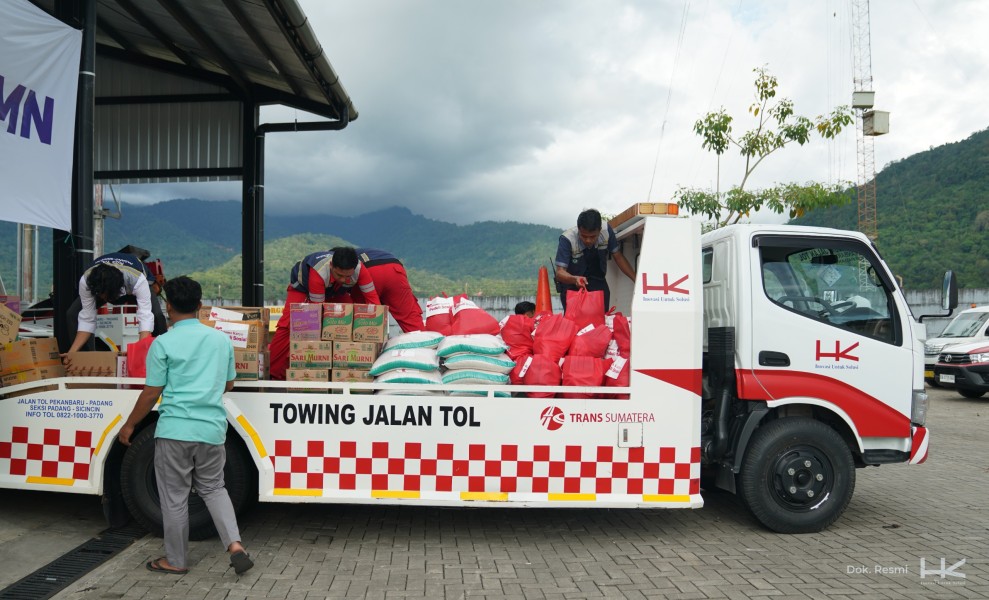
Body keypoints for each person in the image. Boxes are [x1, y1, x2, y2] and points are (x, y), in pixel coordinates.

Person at [118, 276, 253, 576]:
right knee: (215, 489)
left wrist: (129, 426)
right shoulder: (220, 340)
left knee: (175, 498)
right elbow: (228, 383)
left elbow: (152, 391)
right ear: (200, 306)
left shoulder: (163, 343)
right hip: (211, 430)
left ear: (167, 307)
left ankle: (176, 561)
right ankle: (235, 545)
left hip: (175, 431)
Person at [268, 247, 381, 380]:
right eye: (340, 275)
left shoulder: (360, 270)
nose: (344, 280)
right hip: (303, 290)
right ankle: (273, 373)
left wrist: (375, 330)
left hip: (335, 291)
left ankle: (342, 369)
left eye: (348, 276)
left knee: (348, 318)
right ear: (331, 265)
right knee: (293, 324)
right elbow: (316, 315)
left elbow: (374, 302)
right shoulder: (318, 272)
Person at [65, 252, 168, 353]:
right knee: (73, 313)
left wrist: (139, 352)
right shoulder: (86, 281)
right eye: (102, 296)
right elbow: (87, 318)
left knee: (156, 314)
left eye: (108, 297)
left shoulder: (138, 280)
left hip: (132, 284)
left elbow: (145, 316)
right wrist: (72, 352)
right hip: (102, 286)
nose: (107, 300)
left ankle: (161, 353)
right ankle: (85, 358)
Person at [554, 209, 636, 311]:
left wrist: (636, 280)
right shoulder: (567, 239)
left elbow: (618, 257)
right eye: (584, 236)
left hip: (597, 281)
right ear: (578, 229)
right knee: (575, 322)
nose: (588, 240)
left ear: (600, 230)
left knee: (601, 319)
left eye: (593, 237)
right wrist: (575, 279)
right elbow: (560, 272)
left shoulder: (606, 231)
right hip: (572, 284)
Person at [340, 248, 425, 334]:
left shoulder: (338, 261)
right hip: (394, 269)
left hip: (369, 270)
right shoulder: (357, 253)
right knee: (410, 318)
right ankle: (424, 342)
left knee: (363, 320)